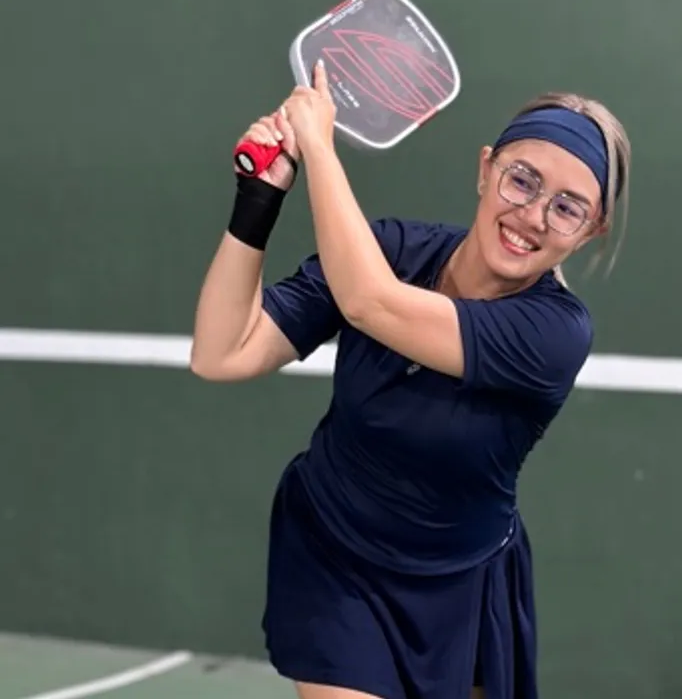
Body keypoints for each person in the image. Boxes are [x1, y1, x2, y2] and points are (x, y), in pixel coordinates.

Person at [190, 61, 631, 699]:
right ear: (485, 169)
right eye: (522, 180)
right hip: (334, 560)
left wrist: (318, 146)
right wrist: (259, 201)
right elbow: (222, 353)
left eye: (567, 208)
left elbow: (371, 303)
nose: (533, 215)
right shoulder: (392, 251)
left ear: (591, 231)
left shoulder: (555, 334)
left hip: (466, 582)